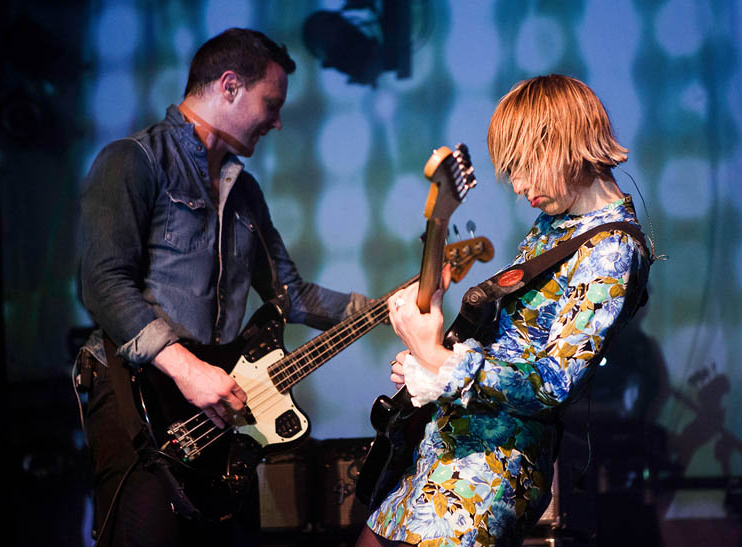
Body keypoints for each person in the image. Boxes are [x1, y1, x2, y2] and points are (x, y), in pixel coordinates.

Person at [77, 28, 369, 546]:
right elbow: (103, 283)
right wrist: (187, 370)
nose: (277, 122)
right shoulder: (132, 160)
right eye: (271, 103)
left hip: (212, 407)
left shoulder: (246, 191)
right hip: (138, 398)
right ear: (230, 85)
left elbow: (290, 294)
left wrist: (393, 304)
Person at [357, 74, 652, 546]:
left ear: (560, 141)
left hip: (490, 472)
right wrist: (430, 368)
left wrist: (441, 360)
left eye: (524, 166)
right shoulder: (554, 223)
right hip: (446, 448)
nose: (517, 185)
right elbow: (512, 341)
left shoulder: (613, 250)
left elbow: (553, 383)